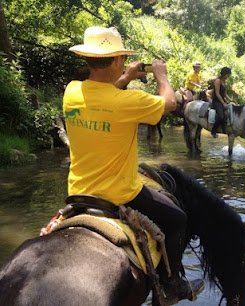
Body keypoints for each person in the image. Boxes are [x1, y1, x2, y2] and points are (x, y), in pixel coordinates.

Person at [64, 26, 204, 303]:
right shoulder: (129, 101)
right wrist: (161, 75)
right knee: (178, 219)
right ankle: (171, 286)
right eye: (121, 60)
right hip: (120, 194)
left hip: (78, 192)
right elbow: (170, 103)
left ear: (87, 58)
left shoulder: (72, 92)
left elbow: (101, 99)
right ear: (117, 59)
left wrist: (126, 76)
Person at [211, 66, 233, 138]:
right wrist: (223, 103)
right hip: (216, 101)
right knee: (221, 116)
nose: (228, 76)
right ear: (224, 74)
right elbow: (217, 93)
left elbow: (225, 94)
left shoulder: (224, 81)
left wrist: (230, 100)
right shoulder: (218, 81)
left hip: (222, 101)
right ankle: (213, 131)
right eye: (228, 75)